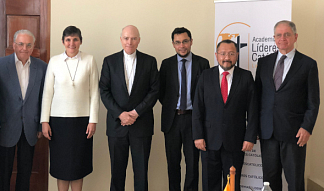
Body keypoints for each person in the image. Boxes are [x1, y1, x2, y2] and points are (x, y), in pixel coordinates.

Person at [255, 20, 320, 191]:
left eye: (287, 34)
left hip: (295, 133)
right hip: (268, 132)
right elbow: (257, 98)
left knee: (295, 180)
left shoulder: (308, 64)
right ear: (274, 38)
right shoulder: (264, 63)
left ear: (295, 37)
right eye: (278, 35)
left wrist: (307, 127)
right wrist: (255, 127)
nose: (282, 38)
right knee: (269, 181)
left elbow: (313, 101)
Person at [192, 40, 258, 191]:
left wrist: (250, 137)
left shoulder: (246, 77)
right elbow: (198, 109)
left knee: (232, 184)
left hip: (236, 141)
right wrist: (198, 136)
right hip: (208, 141)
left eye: (231, 53)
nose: (226, 57)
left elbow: (253, 110)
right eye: (223, 53)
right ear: (216, 55)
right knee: (210, 184)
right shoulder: (205, 76)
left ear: (237, 55)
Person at [99, 25, 159, 191]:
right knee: (117, 174)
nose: (129, 42)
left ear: (139, 40)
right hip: (117, 126)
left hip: (142, 125)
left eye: (133, 38)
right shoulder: (109, 61)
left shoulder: (150, 61)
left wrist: (135, 112)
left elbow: (154, 91)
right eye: (126, 38)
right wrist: (120, 114)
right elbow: (103, 91)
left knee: (141, 173)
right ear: (121, 39)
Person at [41, 26, 99, 191]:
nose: (71, 43)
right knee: (62, 166)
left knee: (78, 165)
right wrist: (45, 121)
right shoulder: (54, 61)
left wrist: (93, 120)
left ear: (80, 41)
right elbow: (47, 93)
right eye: (68, 40)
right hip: (58, 122)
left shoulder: (89, 60)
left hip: (82, 121)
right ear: (63, 41)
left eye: (75, 39)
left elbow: (94, 93)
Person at [0, 29, 47, 191]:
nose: (25, 48)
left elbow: (44, 97)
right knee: (2, 173)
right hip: (5, 127)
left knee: (25, 172)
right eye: (21, 44)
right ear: (14, 45)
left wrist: (39, 126)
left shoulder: (42, 67)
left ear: (33, 46)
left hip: (30, 128)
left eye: (29, 45)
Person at [159, 27, 209, 191]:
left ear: (191, 41)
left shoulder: (202, 63)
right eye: (178, 42)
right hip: (172, 120)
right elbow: (161, 92)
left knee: (193, 163)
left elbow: (206, 94)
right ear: (173, 44)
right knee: (172, 163)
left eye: (185, 41)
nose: (182, 46)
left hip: (193, 120)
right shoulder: (166, 64)